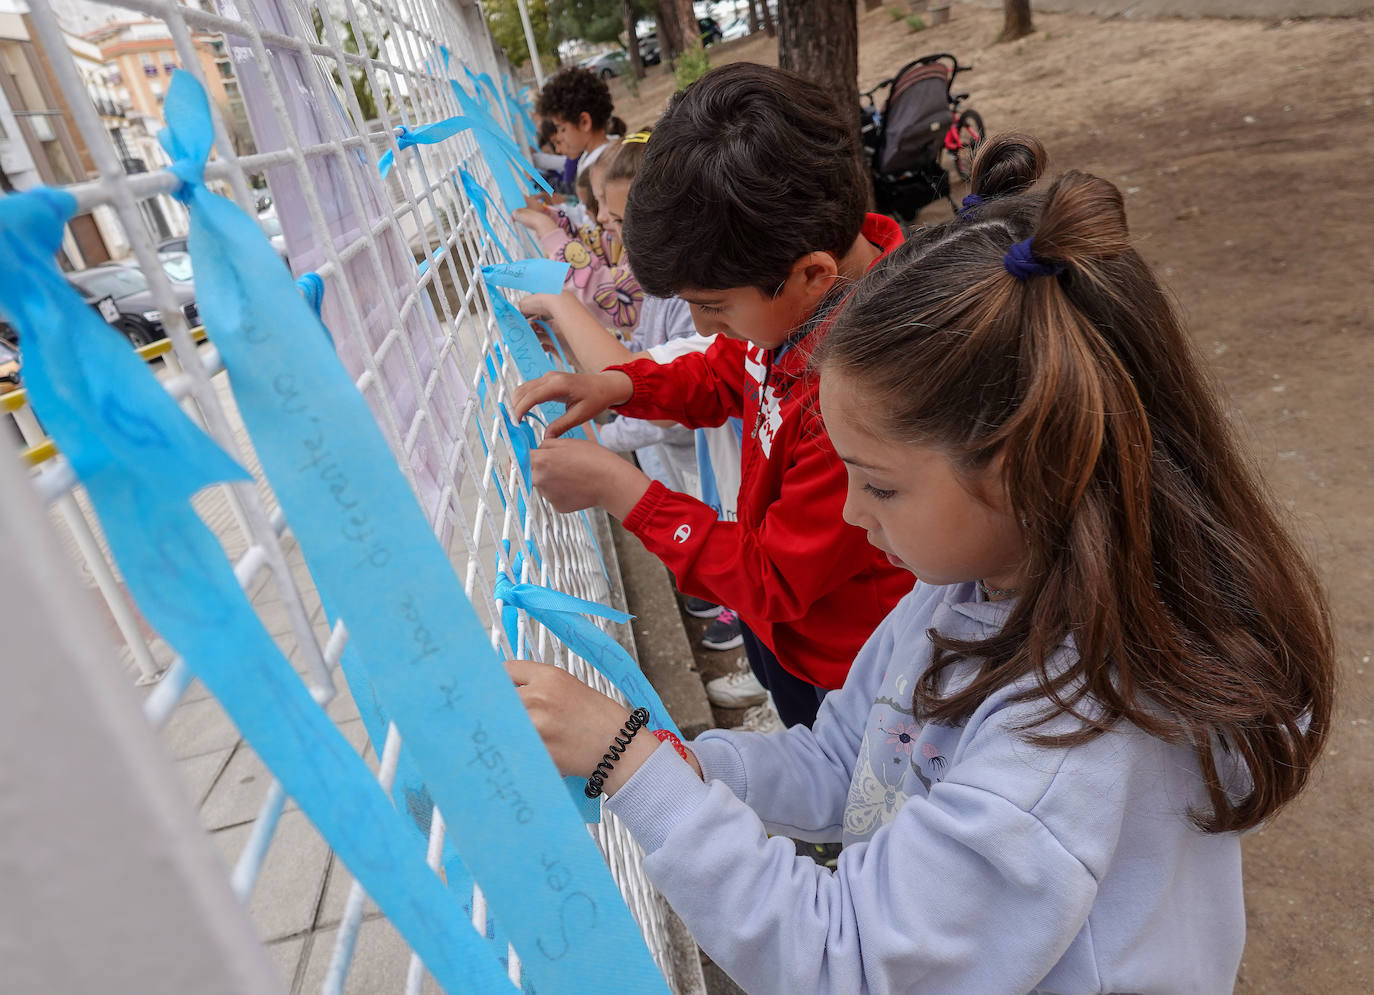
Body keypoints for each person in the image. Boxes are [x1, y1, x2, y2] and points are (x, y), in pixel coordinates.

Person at [506, 134, 1336, 993]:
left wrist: (630, 767)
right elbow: (843, 762)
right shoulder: (956, 593)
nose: (853, 511)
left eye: (881, 487)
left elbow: (849, 961)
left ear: (1020, 465)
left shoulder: (1070, 736)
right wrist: (683, 764)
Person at [513, 64, 915, 729]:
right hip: (790, 628)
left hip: (854, 672)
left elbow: (773, 579)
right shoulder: (794, 301)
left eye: (713, 307)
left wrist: (623, 491)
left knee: (834, 785)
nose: (701, 328)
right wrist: (618, 382)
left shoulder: (867, 396)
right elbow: (724, 372)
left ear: (811, 275)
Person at [535, 66, 624, 228]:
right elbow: (585, 212)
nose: (560, 137)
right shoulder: (590, 156)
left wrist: (548, 215)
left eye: (562, 128)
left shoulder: (605, 165)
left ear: (584, 122)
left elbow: (591, 222)